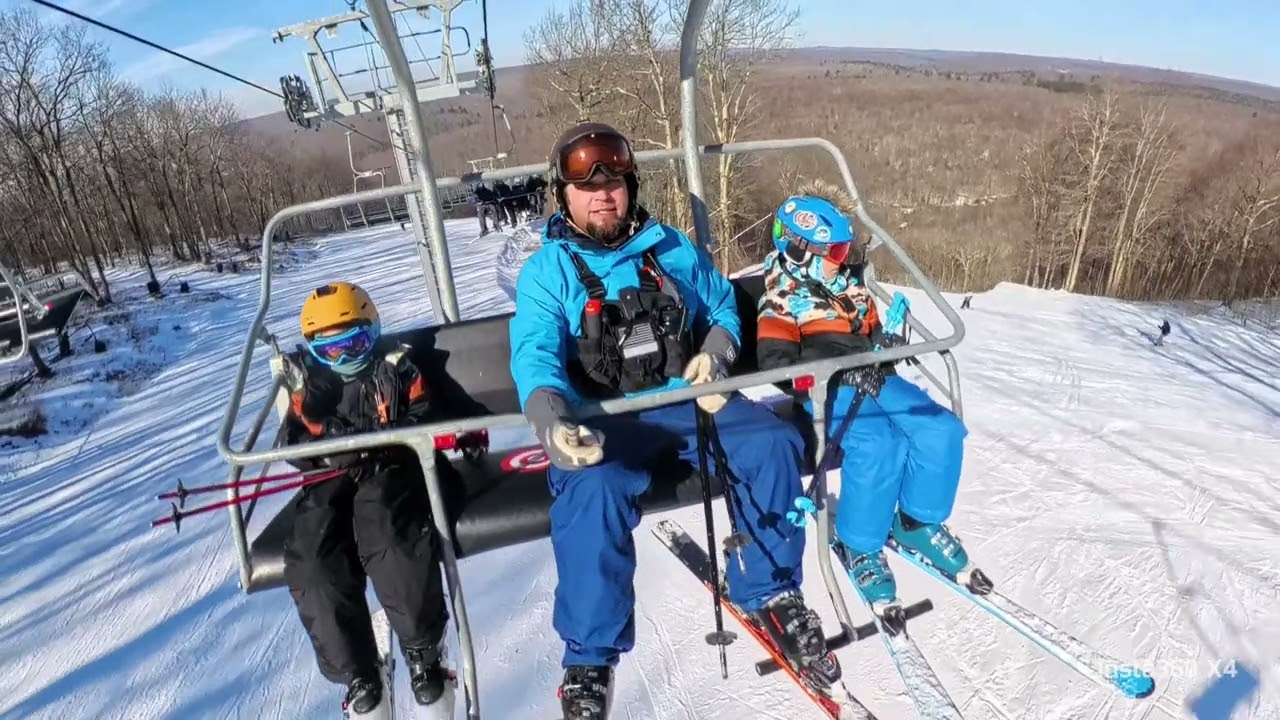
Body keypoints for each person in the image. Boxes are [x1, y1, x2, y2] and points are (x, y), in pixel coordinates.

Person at [509, 122, 840, 718]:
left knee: (771, 442)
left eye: (614, 183)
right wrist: (551, 420)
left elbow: (721, 309)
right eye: (587, 187)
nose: (603, 195)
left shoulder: (669, 249)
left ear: (630, 188)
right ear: (563, 196)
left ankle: (770, 588)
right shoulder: (548, 273)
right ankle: (589, 655)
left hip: (690, 405)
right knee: (594, 489)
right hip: (605, 420)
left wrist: (714, 357)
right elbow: (534, 355)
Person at [755, 181, 972, 607]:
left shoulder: (852, 288)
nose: (843, 261)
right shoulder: (781, 298)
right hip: (826, 392)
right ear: (799, 249)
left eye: (845, 251)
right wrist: (839, 374)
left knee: (941, 429)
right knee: (878, 444)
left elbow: (873, 338)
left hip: (872, 380)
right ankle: (860, 543)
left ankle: (915, 520)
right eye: (834, 253)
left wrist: (887, 341)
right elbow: (778, 366)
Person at [278, 281, 455, 716]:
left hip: (388, 470)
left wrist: (388, 436)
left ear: (373, 333)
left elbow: (425, 416)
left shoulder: (395, 370)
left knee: (390, 535)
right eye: (331, 350)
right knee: (312, 559)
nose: (344, 358)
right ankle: (357, 670)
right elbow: (292, 444)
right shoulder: (309, 387)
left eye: (354, 343)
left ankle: (423, 649)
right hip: (329, 479)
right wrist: (324, 438)